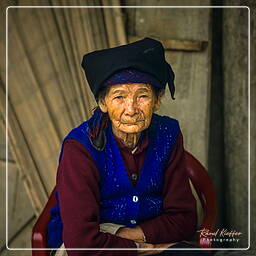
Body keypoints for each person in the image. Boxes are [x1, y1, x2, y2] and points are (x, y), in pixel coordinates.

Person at [47, 37, 210, 256]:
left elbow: (184, 219)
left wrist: (135, 236)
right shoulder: (80, 147)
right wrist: (140, 248)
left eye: (142, 95)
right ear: (103, 103)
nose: (131, 109)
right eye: (119, 97)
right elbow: (81, 243)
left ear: (158, 99)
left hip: (150, 239)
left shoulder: (167, 135)